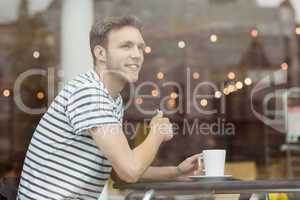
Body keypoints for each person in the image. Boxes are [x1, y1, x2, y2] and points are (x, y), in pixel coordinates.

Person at [17, 16, 201, 200]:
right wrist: (157, 132)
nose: (137, 54)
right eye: (126, 46)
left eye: (140, 47)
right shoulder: (89, 93)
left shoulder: (111, 99)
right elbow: (129, 170)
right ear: (100, 53)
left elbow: (118, 169)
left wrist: (176, 171)